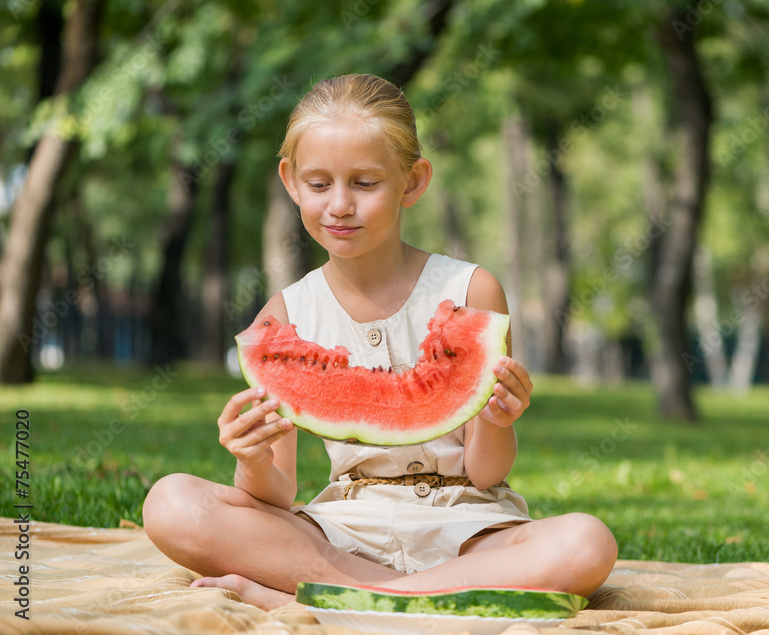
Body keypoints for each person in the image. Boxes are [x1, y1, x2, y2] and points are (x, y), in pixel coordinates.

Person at [142, 73, 618, 611]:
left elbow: (486, 474)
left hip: (467, 530)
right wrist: (250, 461)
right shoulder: (286, 317)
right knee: (171, 503)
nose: (340, 205)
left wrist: (496, 420)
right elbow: (279, 493)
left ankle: (328, 602)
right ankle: (398, 601)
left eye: (365, 184)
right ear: (291, 181)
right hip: (340, 533)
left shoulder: (470, 291)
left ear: (412, 182)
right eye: (319, 185)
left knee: (586, 542)